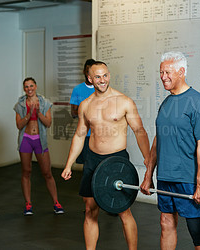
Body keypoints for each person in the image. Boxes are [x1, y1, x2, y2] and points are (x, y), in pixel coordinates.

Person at [61, 61, 150, 250]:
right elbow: (79, 135)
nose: (102, 80)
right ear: (90, 79)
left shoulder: (124, 101)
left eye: (105, 75)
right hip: (93, 159)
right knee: (89, 210)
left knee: (124, 211)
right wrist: (68, 164)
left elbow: (139, 131)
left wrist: (148, 157)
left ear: (109, 75)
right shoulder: (85, 105)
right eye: (98, 77)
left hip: (116, 162)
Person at [140, 52, 200, 250]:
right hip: (165, 175)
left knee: (196, 230)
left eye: (167, 72)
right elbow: (158, 141)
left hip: (186, 178)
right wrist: (148, 175)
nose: (163, 76)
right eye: (161, 72)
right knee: (166, 223)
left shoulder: (197, 102)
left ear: (182, 72)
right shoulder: (165, 103)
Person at [14, 77, 64, 216]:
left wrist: (38, 113)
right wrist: (29, 114)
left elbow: (48, 123)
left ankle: (56, 203)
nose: (29, 89)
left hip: (39, 140)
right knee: (26, 171)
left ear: (35, 86)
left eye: (31, 86)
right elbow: (19, 125)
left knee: (47, 173)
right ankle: (28, 204)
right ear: (24, 88)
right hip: (25, 139)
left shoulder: (45, 103)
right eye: (26, 87)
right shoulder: (20, 104)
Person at [69, 58, 96, 164]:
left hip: (100, 134)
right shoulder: (77, 89)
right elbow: (73, 113)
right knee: (86, 166)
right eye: (87, 70)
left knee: (99, 165)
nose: (89, 74)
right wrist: (85, 113)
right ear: (84, 72)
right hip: (85, 134)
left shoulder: (100, 88)